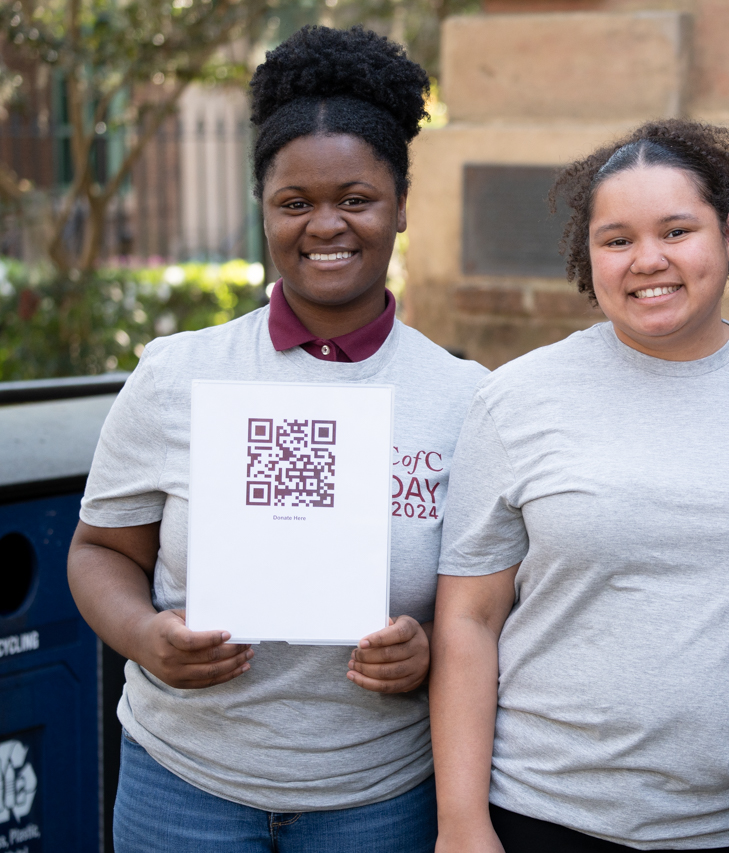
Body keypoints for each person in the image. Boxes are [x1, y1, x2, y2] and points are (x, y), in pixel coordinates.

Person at [67, 25, 486, 852]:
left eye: (356, 199)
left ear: (400, 206)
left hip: (378, 796)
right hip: (183, 787)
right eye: (295, 202)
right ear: (263, 209)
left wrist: (430, 649)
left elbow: (489, 605)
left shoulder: (468, 400)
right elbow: (99, 551)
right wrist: (145, 637)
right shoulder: (179, 373)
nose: (325, 225)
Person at [430, 120, 729, 853]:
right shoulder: (517, 399)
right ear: (589, 254)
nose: (648, 261)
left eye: (677, 231)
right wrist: (461, 822)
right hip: (544, 815)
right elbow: (467, 622)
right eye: (617, 240)